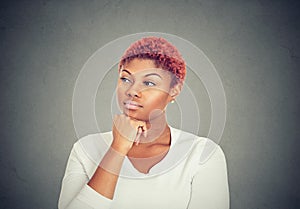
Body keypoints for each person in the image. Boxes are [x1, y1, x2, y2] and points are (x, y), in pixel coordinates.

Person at [58, 36, 229, 209]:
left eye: (148, 82)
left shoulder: (202, 154)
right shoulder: (85, 149)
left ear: (174, 91)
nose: (132, 91)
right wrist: (117, 149)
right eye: (125, 79)